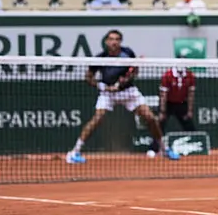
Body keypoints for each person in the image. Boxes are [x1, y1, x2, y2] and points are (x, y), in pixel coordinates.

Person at [66, 30, 180, 163]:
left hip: (128, 91)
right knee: (97, 119)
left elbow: (134, 71)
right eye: (111, 39)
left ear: (120, 41)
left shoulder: (128, 53)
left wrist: (125, 80)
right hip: (108, 94)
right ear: (106, 42)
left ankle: (164, 149)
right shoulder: (99, 58)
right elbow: (89, 77)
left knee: (150, 117)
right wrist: (103, 86)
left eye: (117, 39)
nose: (114, 42)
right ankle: (74, 152)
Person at [158, 64, 196, 136]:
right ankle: (155, 146)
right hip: (168, 104)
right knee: (160, 124)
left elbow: (191, 94)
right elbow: (163, 95)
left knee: (189, 125)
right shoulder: (167, 75)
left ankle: (195, 144)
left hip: (182, 103)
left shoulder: (190, 75)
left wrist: (190, 110)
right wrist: (162, 111)